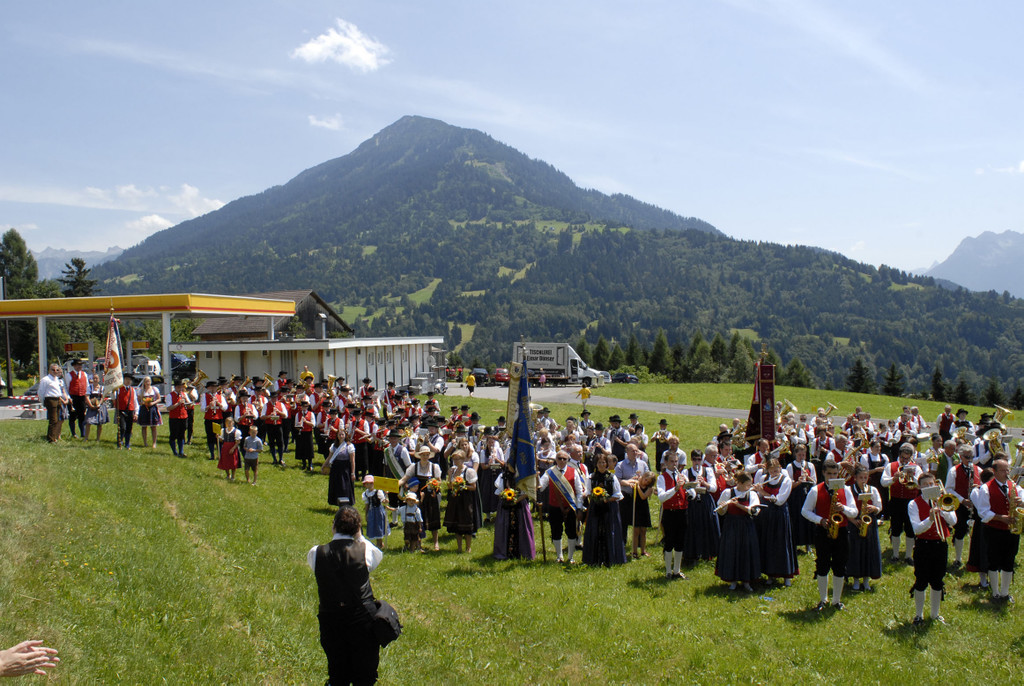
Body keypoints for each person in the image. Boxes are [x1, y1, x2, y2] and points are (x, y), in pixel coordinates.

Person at [307, 506, 383, 686]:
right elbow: (377, 557)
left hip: (331, 618)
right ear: (358, 528)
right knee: (365, 676)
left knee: (337, 672)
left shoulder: (316, 552)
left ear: (333, 525)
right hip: (362, 619)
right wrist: (359, 536)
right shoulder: (366, 550)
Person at [801, 459, 858, 610]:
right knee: (822, 564)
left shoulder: (846, 489)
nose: (832, 477)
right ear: (823, 473)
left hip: (842, 531)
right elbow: (805, 511)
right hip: (823, 531)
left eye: (834, 474)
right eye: (829, 474)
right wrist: (820, 520)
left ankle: (836, 600)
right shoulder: (815, 490)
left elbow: (854, 512)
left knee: (840, 565)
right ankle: (823, 599)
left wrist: (843, 509)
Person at [908, 472, 957, 624]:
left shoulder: (943, 500)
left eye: (931, 484)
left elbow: (954, 521)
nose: (929, 487)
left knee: (937, 580)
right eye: (925, 485)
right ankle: (919, 615)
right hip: (923, 545)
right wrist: (929, 519)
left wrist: (943, 510)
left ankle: (935, 614)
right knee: (921, 580)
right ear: (919, 487)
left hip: (940, 544)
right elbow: (917, 529)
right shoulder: (913, 504)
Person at [974, 456, 1024, 602]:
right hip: (994, 530)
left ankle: (1005, 593)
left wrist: (1021, 503)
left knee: (1009, 561)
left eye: (1007, 470)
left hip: (1011, 529)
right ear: (994, 471)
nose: (1006, 473)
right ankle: (995, 592)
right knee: (993, 561)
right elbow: (983, 512)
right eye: (1003, 470)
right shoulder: (985, 488)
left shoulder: (1014, 486)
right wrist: (1001, 518)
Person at [753, 458, 797, 586]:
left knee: (781, 543)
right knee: (768, 544)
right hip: (766, 515)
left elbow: (779, 501)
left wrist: (762, 492)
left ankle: (786, 575)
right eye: (772, 471)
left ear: (780, 468)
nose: (774, 474)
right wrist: (756, 491)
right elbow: (759, 497)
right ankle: (770, 575)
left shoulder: (786, 480)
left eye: (776, 470)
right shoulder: (764, 478)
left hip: (780, 515)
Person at [715, 471, 761, 591]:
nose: (749, 487)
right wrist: (723, 506)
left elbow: (755, 512)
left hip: (746, 525)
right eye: (747, 485)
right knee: (732, 551)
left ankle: (746, 581)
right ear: (739, 483)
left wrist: (738, 505)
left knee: (746, 551)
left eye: (750, 485)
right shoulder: (727, 492)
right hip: (731, 525)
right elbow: (721, 513)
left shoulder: (752, 494)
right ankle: (732, 580)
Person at [538, 451, 583, 563]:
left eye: (564, 459)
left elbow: (579, 491)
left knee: (571, 531)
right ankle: (559, 556)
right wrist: (536, 478)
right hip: (554, 507)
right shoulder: (550, 472)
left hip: (570, 507)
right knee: (556, 531)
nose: (562, 460)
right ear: (556, 459)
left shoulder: (574, 472)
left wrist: (579, 507)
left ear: (568, 460)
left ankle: (570, 557)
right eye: (559, 458)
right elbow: (540, 487)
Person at [881, 443, 923, 563]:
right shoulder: (891, 466)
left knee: (910, 528)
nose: (905, 461)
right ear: (899, 455)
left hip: (911, 502)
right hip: (896, 501)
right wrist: (893, 479)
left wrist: (912, 477)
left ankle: (908, 556)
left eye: (907, 458)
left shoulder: (916, 468)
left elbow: (921, 485)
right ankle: (895, 555)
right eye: (903, 458)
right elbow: (883, 482)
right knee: (895, 528)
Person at [658, 449, 693, 579]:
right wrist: (676, 488)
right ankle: (668, 571)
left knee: (680, 542)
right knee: (669, 542)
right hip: (669, 513)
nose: (674, 464)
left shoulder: (682, 476)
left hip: (682, 512)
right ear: (666, 463)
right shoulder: (662, 478)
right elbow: (662, 497)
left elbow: (692, 493)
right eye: (672, 462)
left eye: (676, 462)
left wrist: (690, 490)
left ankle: (677, 571)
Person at [847, 464, 883, 592]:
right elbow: (845, 508)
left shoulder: (873, 490)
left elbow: (879, 506)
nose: (863, 480)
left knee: (869, 550)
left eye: (865, 477)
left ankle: (866, 580)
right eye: (860, 478)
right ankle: (856, 580)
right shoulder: (849, 490)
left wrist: (874, 508)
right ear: (855, 478)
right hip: (855, 523)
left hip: (869, 523)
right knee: (855, 551)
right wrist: (852, 520)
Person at [944, 445, 981, 568]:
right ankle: (958, 558)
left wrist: (978, 488)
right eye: (966, 457)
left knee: (975, 533)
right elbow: (949, 489)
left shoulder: (978, 470)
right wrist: (962, 500)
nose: (969, 459)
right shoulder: (954, 471)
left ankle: (973, 558)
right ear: (960, 456)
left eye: (971, 457)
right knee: (960, 531)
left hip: (974, 506)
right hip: (960, 505)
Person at [683, 446, 721, 562]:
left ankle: (708, 552)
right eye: (694, 459)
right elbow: (685, 488)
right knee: (693, 526)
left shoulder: (708, 471)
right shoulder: (686, 472)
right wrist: (693, 484)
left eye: (699, 459)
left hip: (705, 500)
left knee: (707, 524)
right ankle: (693, 553)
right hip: (693, 501)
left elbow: (714, 488)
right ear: (691, 460)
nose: (697, 462)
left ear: (702, 459)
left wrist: (704, 482)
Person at [493, 461, 537, 560]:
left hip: (520, 505)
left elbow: (527, 492)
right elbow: (499, 492)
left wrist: (516, 500)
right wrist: (506, 497)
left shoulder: (523, 477)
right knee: (504, 527)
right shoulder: (503, 476)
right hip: (506, 506)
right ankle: (504, 552)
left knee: (522, 528)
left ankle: (523, 552)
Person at [616, 443, 654, 558]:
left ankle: (639, 547)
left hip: (639, 498)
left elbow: (648, 477)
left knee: (639, 524)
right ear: (627, 452)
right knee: (624, 521)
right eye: (633, 451)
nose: (635, 453)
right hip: (626, 496)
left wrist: (640, 481)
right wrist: (628, 482)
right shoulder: (620, 465)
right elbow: (617, 480)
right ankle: (622, 543)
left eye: (637, 451)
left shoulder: (643, 464)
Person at [443, 450, 478, 553]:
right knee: (456, 522)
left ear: (463, 459)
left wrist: (462, 486)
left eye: (457, 459)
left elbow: (473, 487)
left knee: (466, 522)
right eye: (453, 459)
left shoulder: (469, 471)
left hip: (465, 499)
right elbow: (449, 486)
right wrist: (450, 476)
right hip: (454, 499)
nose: (455, 461)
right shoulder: (453, 471)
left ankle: (468, 547)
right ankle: (459, 547)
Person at [786, 444, 817, 554]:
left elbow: (815, 482)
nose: (802, 457)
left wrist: (807, 477)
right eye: (799, 455)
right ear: (795, 454)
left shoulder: (810, 465)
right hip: (796, 496)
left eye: (803, 455)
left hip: (807, 494)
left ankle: (808, 544)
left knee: (808, 518)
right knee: (797, 518)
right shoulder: (790, 466)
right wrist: (798, 481)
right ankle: (796, 544)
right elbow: (789, 485)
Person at [38, 363, 69, 443]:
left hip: (58, 399)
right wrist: (43, 402)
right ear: (49, 370)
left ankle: (55, 436)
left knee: (57, 419)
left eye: (57, 370)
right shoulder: (46, 379)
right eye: (53, 370)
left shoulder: (57, 379)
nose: (55, 371)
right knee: (53, 420)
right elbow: (41, 392)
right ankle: (51, 438)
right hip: (50, 399)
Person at [362, 475, 391, 549]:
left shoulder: (378, 492)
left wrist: (385, 500)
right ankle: (378, 542)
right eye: (367, 484)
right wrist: (366, 514)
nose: (369, 485)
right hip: (371, 512)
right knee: (373, 525)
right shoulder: (366, 494)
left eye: (371, 483)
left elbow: (382, 500)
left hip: (378, 511)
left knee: (379, 525)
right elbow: (367, 504)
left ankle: (380, 543)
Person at [327, 435, 357, 508]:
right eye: (339, 434)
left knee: (345, 487)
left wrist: (353, 473)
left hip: (345, 469)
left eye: (342, 434)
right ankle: (337, 502)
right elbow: (329, 457)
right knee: (336, 486)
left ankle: (346, 504)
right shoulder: (334, 446)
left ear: (345, 435)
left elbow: (352, 461)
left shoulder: (349, 446)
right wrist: (324, 466)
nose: (341, 436)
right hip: (336, 469)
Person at [65, 358, 89, 439]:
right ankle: (73, 433)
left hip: (82, 397)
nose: (79, 366)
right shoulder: (69, 375)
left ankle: (83, 433)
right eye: (78, 365)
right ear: (74, 366)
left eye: (80, 365)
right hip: (73, 397)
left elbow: (87, 386)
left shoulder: (84, 374)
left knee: (82, 416)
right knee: (73, 416)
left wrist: (87, 397)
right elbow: (67, 387)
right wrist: (69, 397)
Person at [166, 379, 191, 458]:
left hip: (183, 416)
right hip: (174, 418)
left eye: (181, 387)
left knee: (181, 434)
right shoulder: (170, 395)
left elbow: (190, 405)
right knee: (173, 435)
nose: (181, 389)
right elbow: (169, 408)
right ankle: (175, 452)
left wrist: (186, 400)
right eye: (179, 387)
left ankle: (181, 451)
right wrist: (178, 403)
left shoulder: (184, 394)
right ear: (175, 387)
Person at [136, 376, 162, 449]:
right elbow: (138, 401)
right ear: (144, 382)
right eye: (146, 381)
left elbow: (159, 399)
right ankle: (145, 443)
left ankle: (154, 443)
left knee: (153, 426)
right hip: (144, 409)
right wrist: (143, 403)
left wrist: (153, 403)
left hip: (152, 408)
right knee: (144, 426)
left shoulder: (154, 389)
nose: (148, 383)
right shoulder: (141, 391)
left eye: (149, 381)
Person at [114, 374, 138, 450]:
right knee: (122, 427)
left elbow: (135, 402)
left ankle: (127, 444)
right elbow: (113, 397)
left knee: (129, 428)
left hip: (130, 410)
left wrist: (136, 413)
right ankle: (120, 442)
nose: (128, 381)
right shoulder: (118, 389)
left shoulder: (132, 390)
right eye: (127, 379)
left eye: (130, 380)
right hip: (121, 410)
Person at [83, 375, 109, 442]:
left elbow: (103, 397)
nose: (95, 379)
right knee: (88, 422)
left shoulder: (102, 388)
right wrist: (91, 405)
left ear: (99, 379)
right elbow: (87, 396)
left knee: (99, 423)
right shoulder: (89, 387)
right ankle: (86, 438)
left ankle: (98, 439)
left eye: (96, 378)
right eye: (94, 378)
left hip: (100, 407)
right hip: (91, 406)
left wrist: (99, 404)